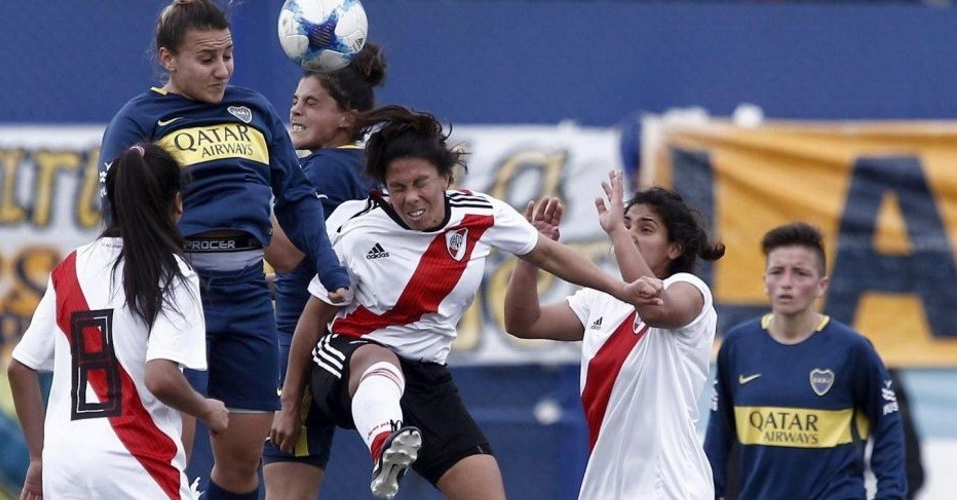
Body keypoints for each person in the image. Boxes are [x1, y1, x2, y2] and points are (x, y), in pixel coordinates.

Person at [268, 106, 661, 500]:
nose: (411, 198)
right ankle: (386, 445)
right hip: (344, 361)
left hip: (425, 377)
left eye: (420, 183)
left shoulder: (481, 215)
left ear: (445, 178)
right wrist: (289, 406)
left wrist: (622, 290)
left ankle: (394, 440)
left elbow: (551, 255)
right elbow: (312, 318)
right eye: (398, 187)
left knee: (485, 489)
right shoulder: (359, 232)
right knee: (377, 361)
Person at [95, 1, 349, 498]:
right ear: (168, 58)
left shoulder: (253, 109)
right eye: (206, 58)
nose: (222, 69)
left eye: (229, 55)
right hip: (176, 292)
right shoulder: (139, 120)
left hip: (249, 295)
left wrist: (330, 265)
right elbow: (117, 216)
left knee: (242, 462)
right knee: (170, 456)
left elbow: (296, 196)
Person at [8, 143, 229, 499]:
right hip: (137, 463)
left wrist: (38, 458)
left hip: (65, 468)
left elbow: (20, 368)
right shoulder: (172, 273)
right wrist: (208, 410)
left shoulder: (71, 268)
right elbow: (161, 378)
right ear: (177, 202)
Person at [503, 171, 725, 499]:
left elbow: (652, 307)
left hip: (669, 487)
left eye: (645, 229)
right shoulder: (601, 299)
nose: (630, 235)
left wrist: (617, 229)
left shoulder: (690, 291)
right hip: (603, 489)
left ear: (675, 248)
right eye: (627, 225)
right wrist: (532, 254)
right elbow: (523, 323)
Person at [261, 42, 386, 500]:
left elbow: (290, 253)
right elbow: (322, 260)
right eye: (295, 100)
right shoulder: (356, 164)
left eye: (312, 103)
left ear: (346, 118)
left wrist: (238, 199)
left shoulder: (327, 170)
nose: (295, 110)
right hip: (339, 340)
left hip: (303, 345)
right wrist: (275, 284)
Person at [703, 222, 907, 499]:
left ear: (822, 285)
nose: (787, 283)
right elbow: (718, 437)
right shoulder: (738, 346)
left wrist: (890, 495)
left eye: (800, 273)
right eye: (777, 272)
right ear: (765, 281)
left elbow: (889, 428)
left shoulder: (852, 349)